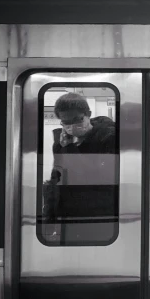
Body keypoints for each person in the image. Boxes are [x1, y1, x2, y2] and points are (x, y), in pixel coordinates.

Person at [42, 92, 117, 235]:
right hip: (68, 218)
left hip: (99, 218)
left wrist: (70, 149)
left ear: (88, 114)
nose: (71, 126)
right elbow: (56, 179)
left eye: (77, 119)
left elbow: (100, 179)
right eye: (66, 122)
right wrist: (49, 217)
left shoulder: (109, 138)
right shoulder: (60, 143)